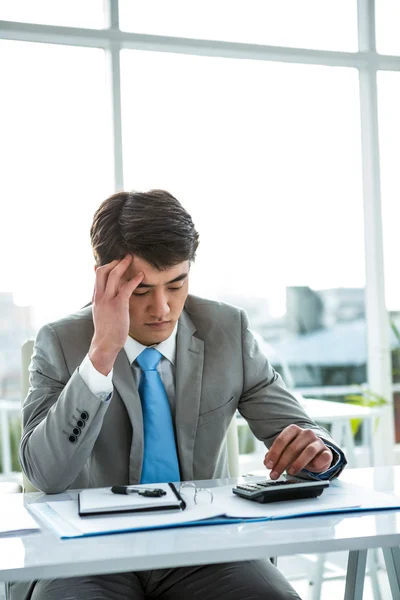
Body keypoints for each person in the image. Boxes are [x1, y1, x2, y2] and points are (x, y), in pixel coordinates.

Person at [16, 189, 346, 600]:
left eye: (176, 284)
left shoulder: (226, 329)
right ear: (104, 278)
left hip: (207, 551)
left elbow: (300, 430)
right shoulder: (61, 341)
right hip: (87, 555)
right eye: (140, 291)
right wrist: (102, 353)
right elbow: (45, 474)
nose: (162, 308)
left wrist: (318, 453)